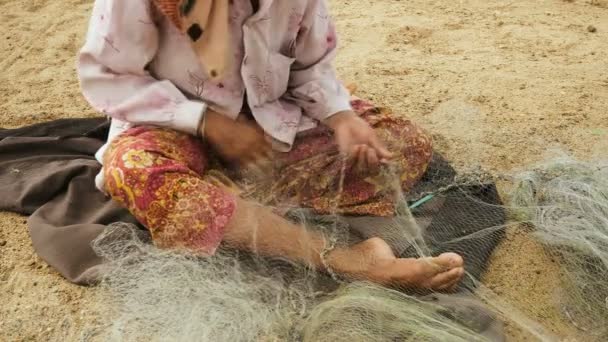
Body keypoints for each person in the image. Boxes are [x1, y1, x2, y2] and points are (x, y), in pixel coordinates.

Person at [77, 0, 464, 290]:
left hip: (272, 125)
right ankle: (351, 262)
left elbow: (311, 67)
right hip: (172, 125)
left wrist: (341, 117)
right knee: (130, 169)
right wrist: (206, 121)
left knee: (403, 142)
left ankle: (222, 205)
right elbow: (106, 77)